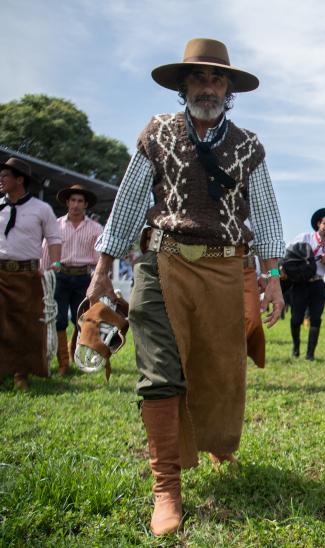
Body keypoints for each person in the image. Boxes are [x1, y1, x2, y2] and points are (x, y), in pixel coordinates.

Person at [87, 38, 286, 536]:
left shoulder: (248, 145)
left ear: (229, 89)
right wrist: (103, 267)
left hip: (223, 268)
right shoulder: (157, 132)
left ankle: (219, 446)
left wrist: (273, 276)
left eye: (218, 78)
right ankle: (166, 488)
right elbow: (131, 200)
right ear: (183, 85)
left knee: (218, 369)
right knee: (159, 374)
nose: (209, 86)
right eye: (198, 77)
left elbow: (264, 213)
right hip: (162, 261)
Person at [0, 157, 62, 390]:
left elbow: (54, 239)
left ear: (20, 180)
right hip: (0, 273)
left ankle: (20, 375)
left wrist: (54, 267)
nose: (0, 179)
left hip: (28, 276)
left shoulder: (41, 209)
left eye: (5, 176)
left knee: (25, 327)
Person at [47, 184, 103, 375]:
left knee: (82, 320)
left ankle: (75, 358)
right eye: (72, 200)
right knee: (59, 319)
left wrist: (99, 280)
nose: (76, 204)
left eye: (80, 201)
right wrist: (44, 274)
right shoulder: (55, 225)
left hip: (83, 278)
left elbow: (99, 259)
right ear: (67, 202)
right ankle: (63, 364)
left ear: (86, 204)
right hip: (60, 276)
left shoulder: (96, 228)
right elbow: (45, 252)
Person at [289, 207, 325, 360]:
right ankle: (296, 347)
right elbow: (288, 254)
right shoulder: (305, 237)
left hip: (318, 284)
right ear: (318, 224)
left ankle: (310, 354)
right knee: (296, 318)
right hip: (300, 284)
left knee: (316, 318)